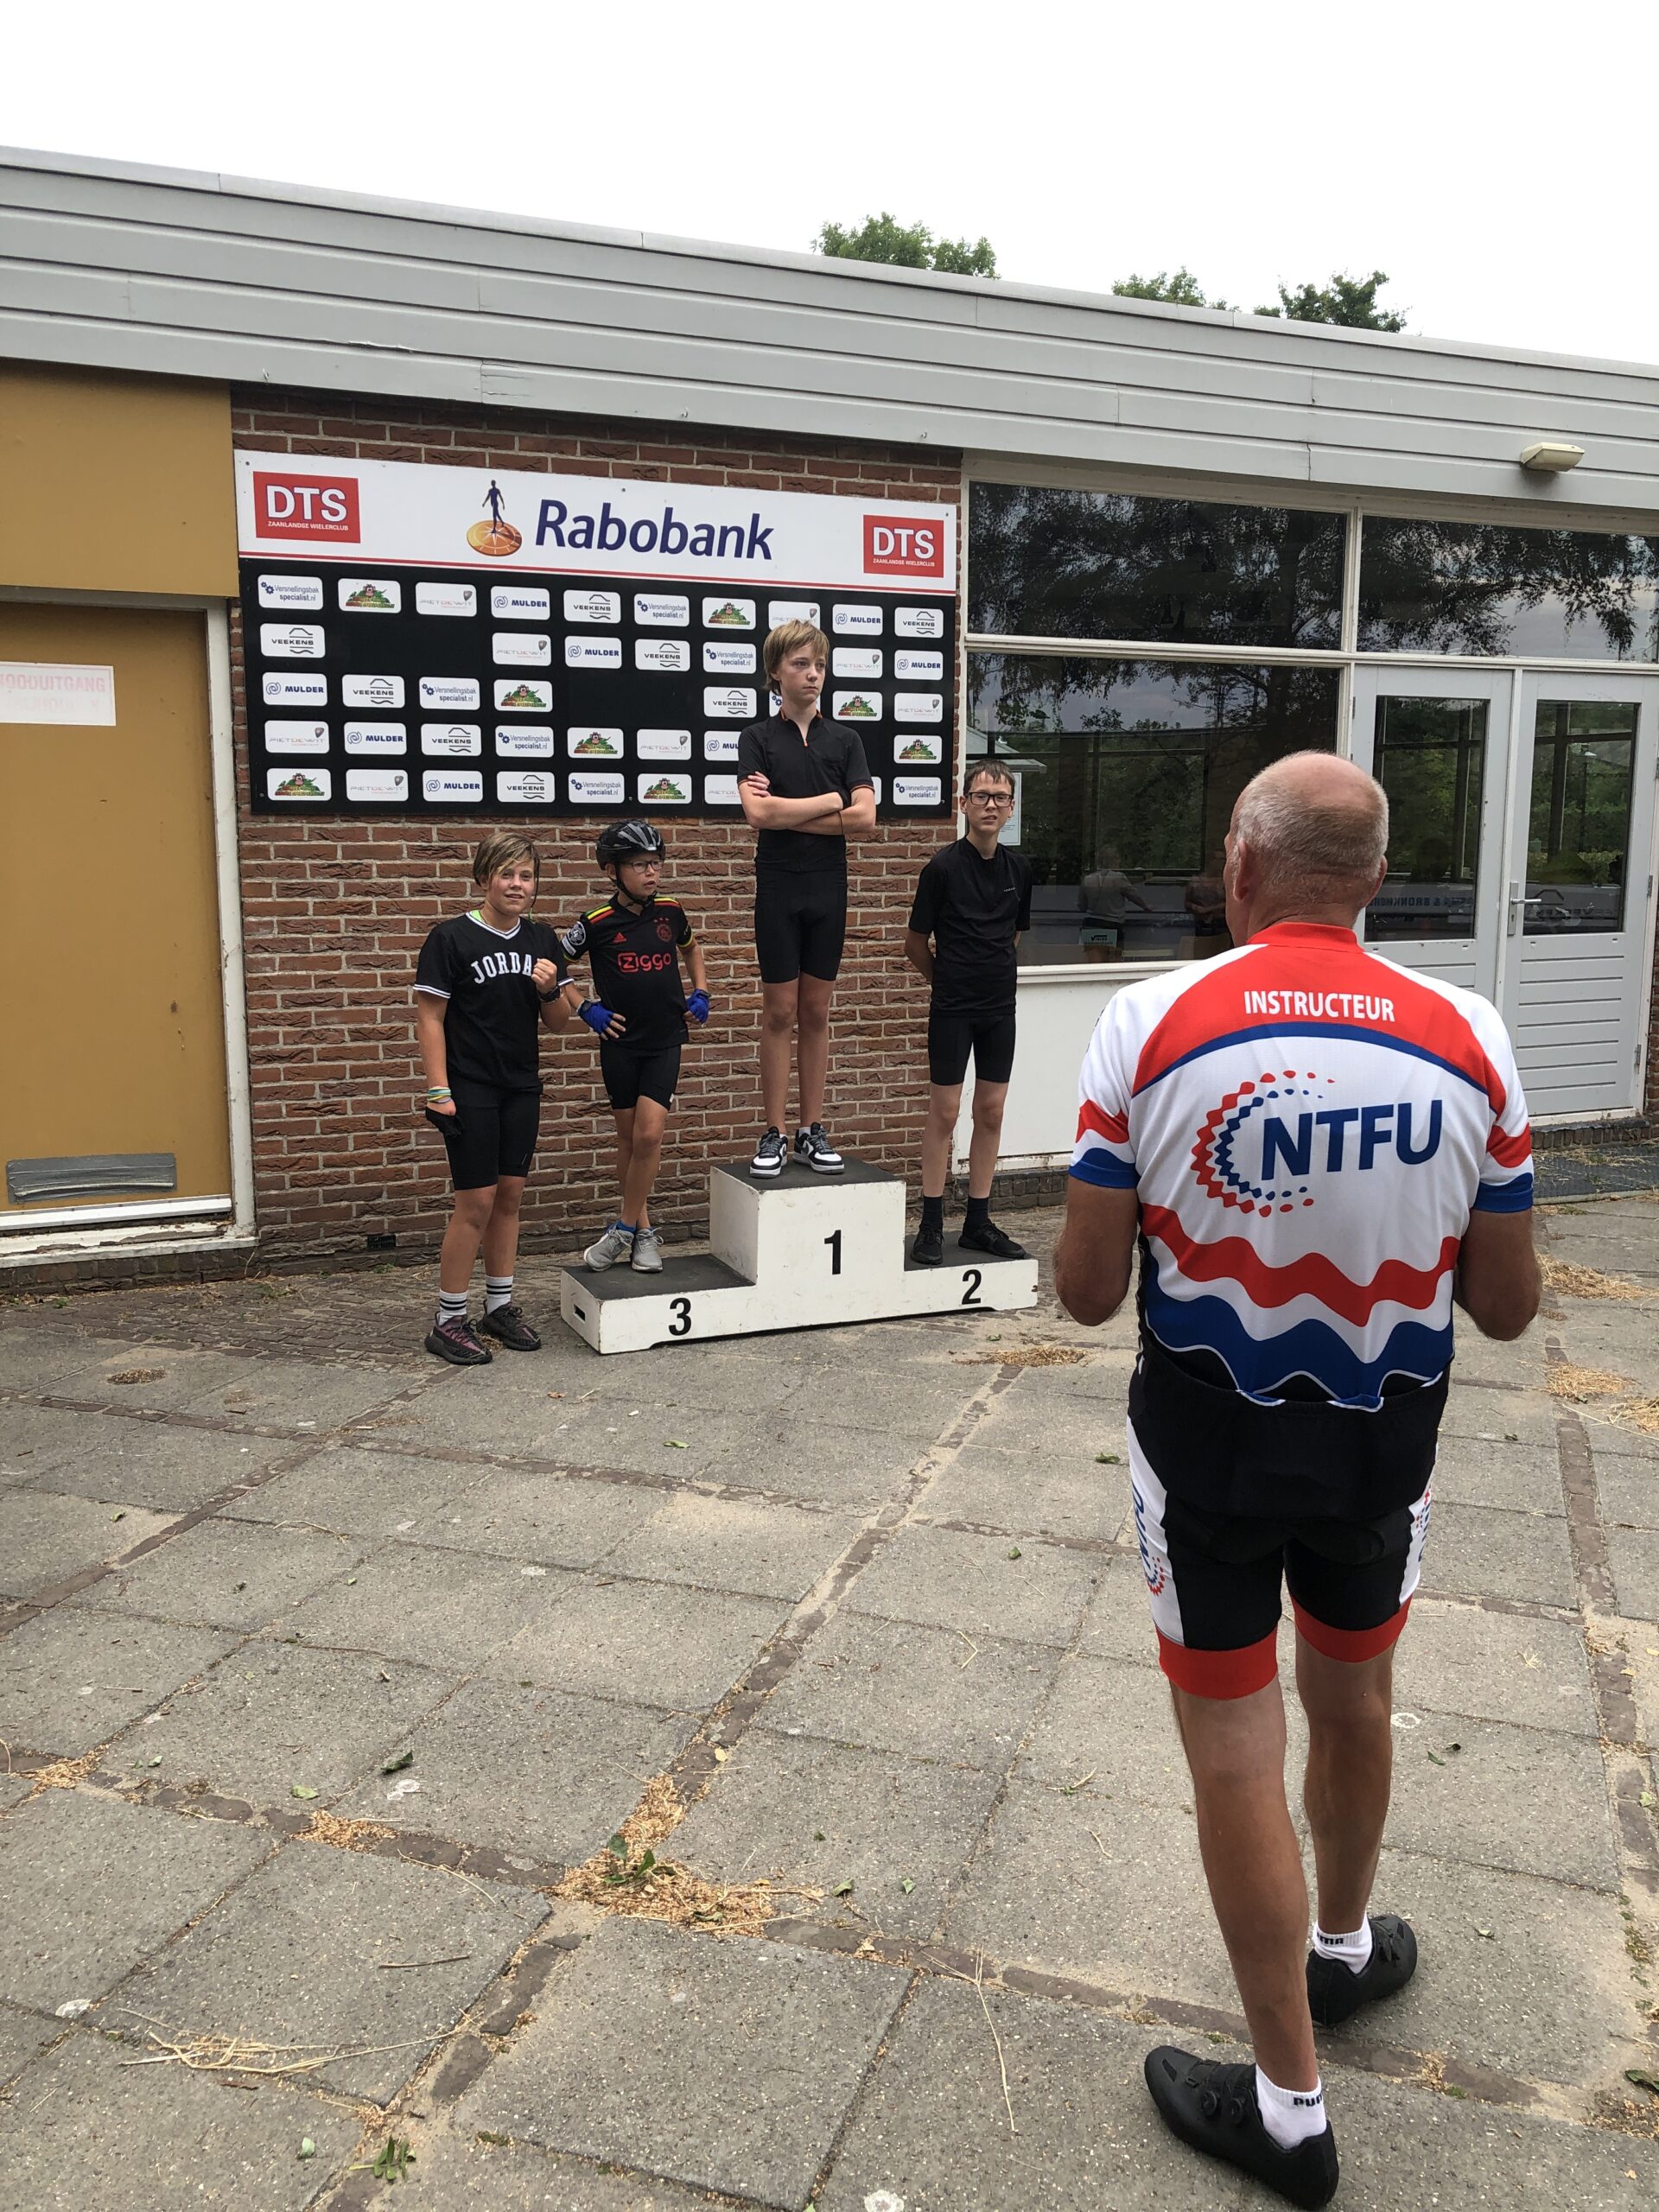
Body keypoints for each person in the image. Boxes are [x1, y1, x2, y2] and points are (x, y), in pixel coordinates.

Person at [1052, 752, 1539, 2209]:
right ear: (1375, 881)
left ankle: (1287, 2108)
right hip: (1383, 1445)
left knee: (1233, 1750)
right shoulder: (1472, 1036)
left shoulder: (1147, 1021)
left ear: (1241, 867)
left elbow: (1086, 1291)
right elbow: (1508, 1308)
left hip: (1205, 1444)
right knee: (1357, 1697)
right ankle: (1343, 1948)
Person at [414, 831, 571, 1364]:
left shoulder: (542, 939)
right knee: (475, 1202)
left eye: (526, 875)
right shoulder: (450, 938)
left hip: (521, 1085)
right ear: (484, 878)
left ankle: (498, 1307)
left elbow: (558, 1022)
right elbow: (430, 1017)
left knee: (509, 1197)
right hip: (470, 1087)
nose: (517, 885)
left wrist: (550, 989)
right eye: (507, 874)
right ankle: (448, 1320)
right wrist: (438, 1089)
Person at [737, 619, 874, 1177]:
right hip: (778, 886)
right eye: (800, 664)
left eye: (819, 664)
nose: (813, 674)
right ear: (776, 672)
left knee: (816, 1011)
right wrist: (831, 801)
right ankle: (773, 1131)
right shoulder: (757, 739)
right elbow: (758, 814)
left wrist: (789, 813)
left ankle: (811, 1129)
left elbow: (865, 819)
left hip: (828, 887)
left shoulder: (846, 740)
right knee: (779, 1011)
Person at [556, 820, 709, 1273]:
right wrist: (584, 1007)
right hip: (619, 1041)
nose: (651, 872)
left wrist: (701, 991)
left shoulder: (671, 911)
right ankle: (642, 1232)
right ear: (612, 870)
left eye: (656, 863)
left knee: (649, 1135)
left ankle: (621, 1228)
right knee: (627, 1139)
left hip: (664, 1039)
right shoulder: (595, 924)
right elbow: (556, 966)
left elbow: (692, 950)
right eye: (640, 865)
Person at [904, 762, 1033, 1265]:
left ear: (1011, 808)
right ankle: (931, 1222)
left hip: (1000, 1008)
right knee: (945, 1110)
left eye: (1000, 798)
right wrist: (946, 980)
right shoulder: (941, 869)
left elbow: (1012, 935)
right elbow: (915, 944)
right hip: (952, 1008)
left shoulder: (1019, 870)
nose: (990, 805)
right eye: (981, 796)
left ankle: (978, 1222)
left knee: (992, 1110)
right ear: (964, 804)